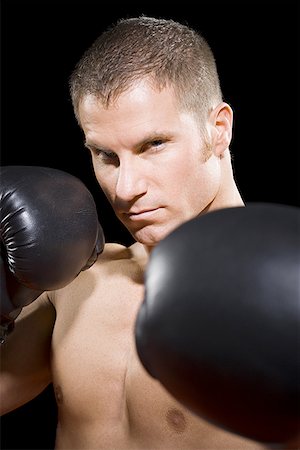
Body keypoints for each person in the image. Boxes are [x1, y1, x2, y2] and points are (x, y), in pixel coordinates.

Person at [0, 16, 291, 450]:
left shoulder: (288, 289)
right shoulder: (75, 281)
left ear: (218, 129)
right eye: (105, 155)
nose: (125, 188)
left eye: (153, 145)